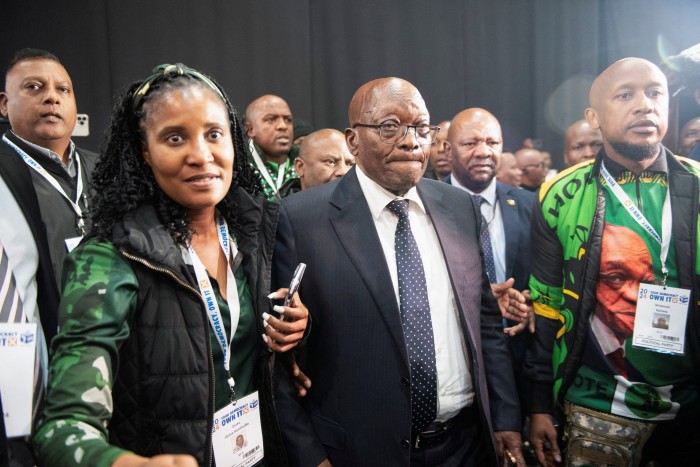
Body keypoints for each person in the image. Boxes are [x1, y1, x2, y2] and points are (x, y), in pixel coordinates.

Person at [33, 64, 308, 467]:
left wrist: (295, 330)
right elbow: (63, 425)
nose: (201, 155)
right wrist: (123, 464)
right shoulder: (110, 257)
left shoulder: (255, 232)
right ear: (145, 151)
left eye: (214, 134)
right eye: (175, 137)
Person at [273, 77, 526, 467]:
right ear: (353, 141)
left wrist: (506, 418)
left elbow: (486, 326)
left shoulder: (460, 208)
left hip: (465, 444)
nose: (411, 141)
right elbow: (280, 361)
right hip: (359, 451)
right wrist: (309, 455)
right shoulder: (302, 219)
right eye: (389, 127)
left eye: (422, 128)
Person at [526, 58, 700, 467]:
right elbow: (547, 308)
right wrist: (538, 405)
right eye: (625, 95)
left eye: (655, 93)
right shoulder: (558, 193)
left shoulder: (697, 183)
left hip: (691, 403)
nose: (645, 105)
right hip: (595, 404)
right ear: (594, 117)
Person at [0, 48, 96, 465]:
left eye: (63, 90)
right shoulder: (5, 175)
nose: (52, 98)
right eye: (34, 88)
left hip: (111, 361)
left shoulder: (104, 170)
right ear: (5, 104)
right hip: (33, 376)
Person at [245, 94, 299, 200]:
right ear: (250, 129)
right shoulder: (237, 168)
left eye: (288, 120)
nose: (283, 126)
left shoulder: (306, 164)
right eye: (271, 119)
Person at [279, 128, 355, 196]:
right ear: (300, 167)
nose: (343, 171)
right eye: (330, 162)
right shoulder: (278, 210)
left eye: (350, 164)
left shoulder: (363, 207)